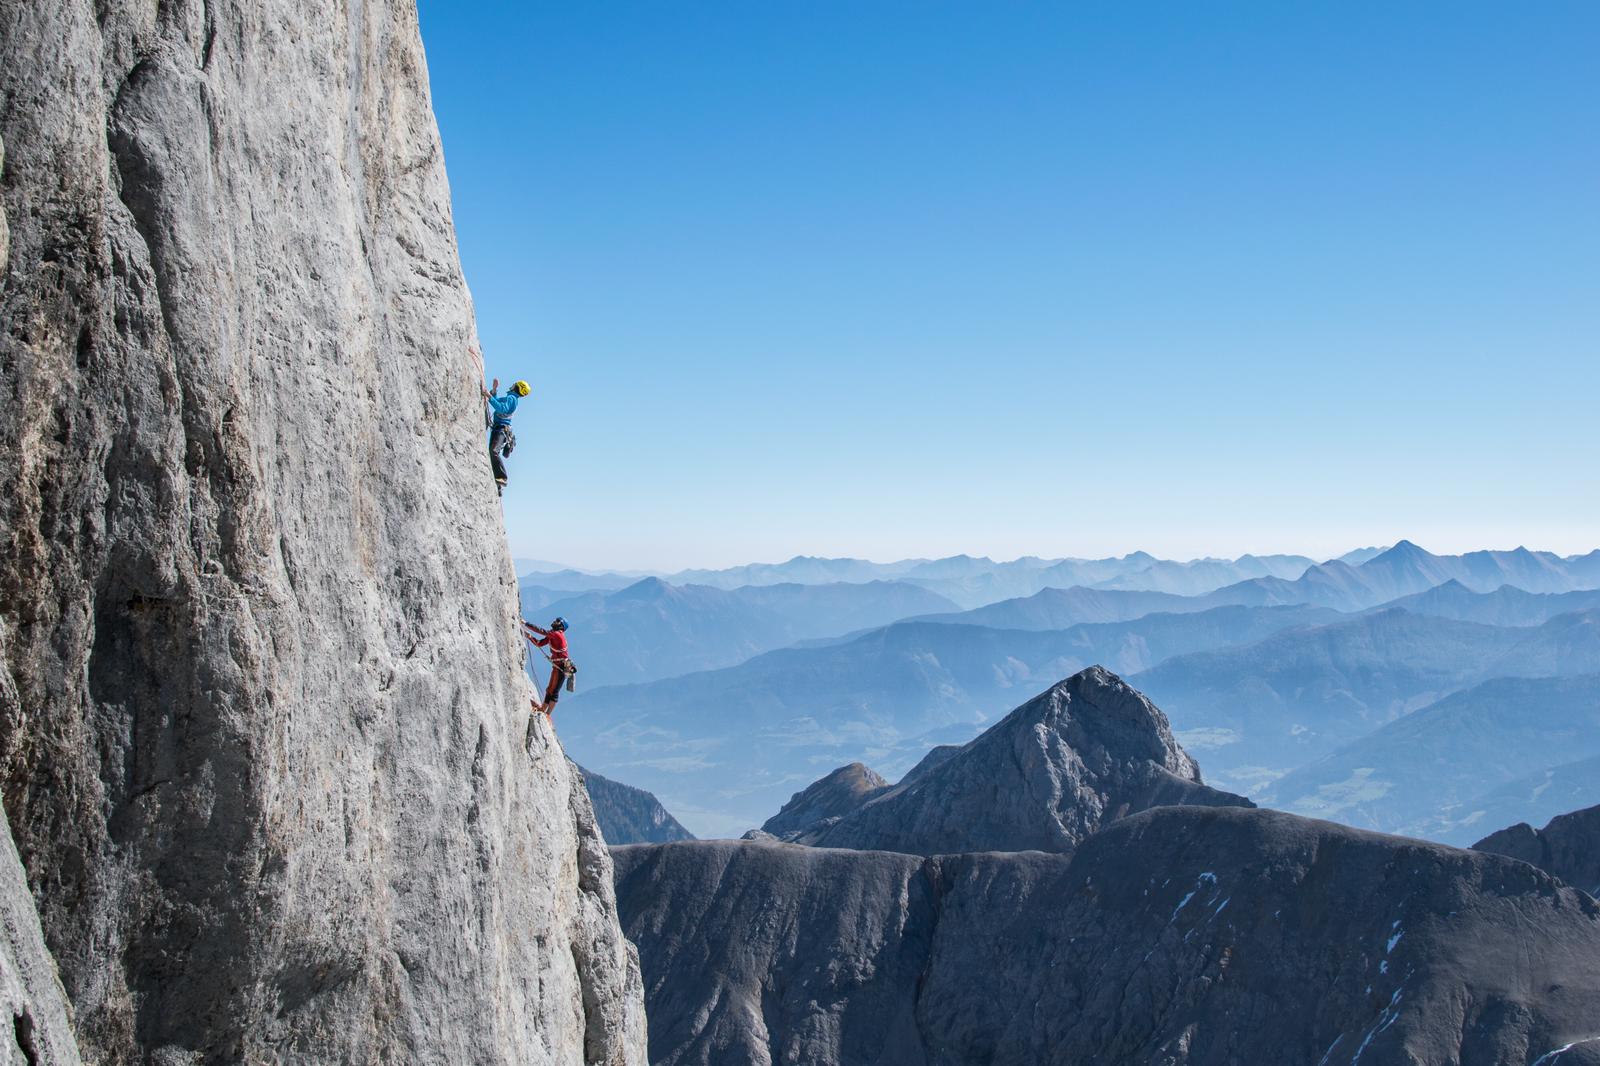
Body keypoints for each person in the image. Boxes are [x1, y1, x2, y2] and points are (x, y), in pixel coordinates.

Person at [482, 377, 530, 493]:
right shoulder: (511, 398)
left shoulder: (512, 398)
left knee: (493, 451)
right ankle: (498, 485)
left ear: (518, 387)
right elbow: (498, 402)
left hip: (501, 430)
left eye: (515, 384)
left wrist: (489, 396)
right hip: (499, 429)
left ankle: (502, 477)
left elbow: (501, 408)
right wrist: (494, 390)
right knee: (492, 453)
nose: (512, 385)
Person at [523, 616, 574, 715]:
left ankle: (548, 713)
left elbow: (541, 631)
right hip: (558, 666)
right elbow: (539, 643)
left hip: (562, 667)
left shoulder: (557, 635)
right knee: (550, 688)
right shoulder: (553, 635)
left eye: (557, 621)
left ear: (561, 626)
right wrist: (530, 637)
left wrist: (526, 623)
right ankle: (543, 709)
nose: (554, 621)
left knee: (554, 691)